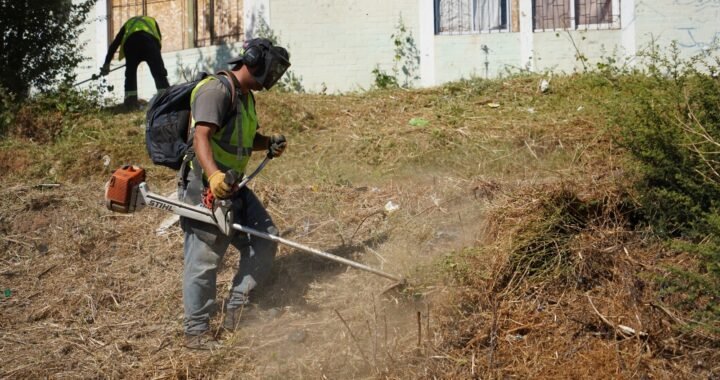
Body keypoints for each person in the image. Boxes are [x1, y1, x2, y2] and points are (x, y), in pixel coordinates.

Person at [179, 38, 291, 350]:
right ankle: (196, 333)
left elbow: (243, 138)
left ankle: (237, 309)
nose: (273, 77)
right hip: (205, 184)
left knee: (265, 237)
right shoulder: (217, 90)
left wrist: (266, 143)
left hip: (235, 186)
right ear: (253, 59)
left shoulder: (245, 97)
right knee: (204, 260)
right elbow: (202, 136)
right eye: (272, 69)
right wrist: (213, 176)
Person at [101, 15, 170, 107]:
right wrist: (158, 63)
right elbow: (158, 38)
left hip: (132, 45)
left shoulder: (128, 24)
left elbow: (115, 44)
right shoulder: (151, 21)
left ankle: (131, 103)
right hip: (149, 44)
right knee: (159, 74)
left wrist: (107, 64)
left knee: (130, 75)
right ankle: (166, 100)